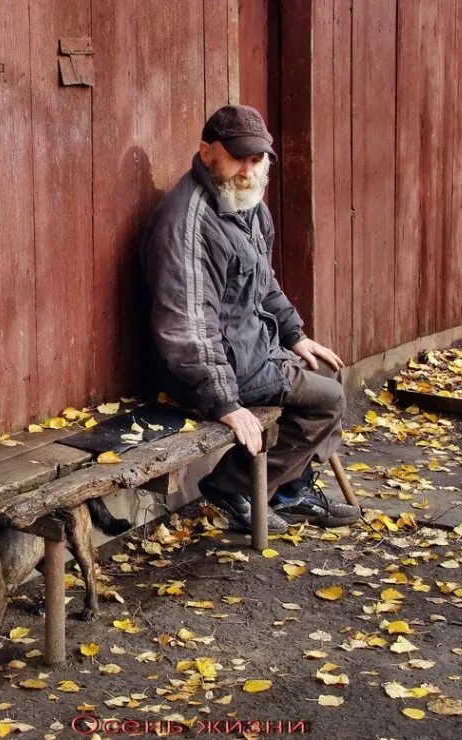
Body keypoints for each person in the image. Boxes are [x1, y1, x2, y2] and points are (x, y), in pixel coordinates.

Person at [140, 104, 360, 533]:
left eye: (257, 159)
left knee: (327, 373)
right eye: (239, 156)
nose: (248, 168)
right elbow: (186, 329)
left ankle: (289, 490)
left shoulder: (247, 204)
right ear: (207, 153)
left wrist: (295, 335)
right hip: (209, 368)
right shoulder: (188, 223)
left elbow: (263, 281)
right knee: (328, 399)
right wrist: (224, 402)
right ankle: (231, 485)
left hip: (249, 349)